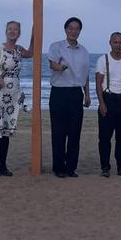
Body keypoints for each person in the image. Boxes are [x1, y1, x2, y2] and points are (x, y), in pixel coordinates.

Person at [0, 19, 34, 176]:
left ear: (19, 33)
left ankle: (3, 166)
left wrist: (34, 33)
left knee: (5, 131)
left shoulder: (19, 50)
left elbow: (31, 53)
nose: (12, 31)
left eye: (15, 29)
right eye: (10, 29)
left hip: (12, 95)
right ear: (6, 31)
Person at [47, 16, 90, 178]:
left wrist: (87, 94)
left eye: (77, 28)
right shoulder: (56, 46)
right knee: (58, 132)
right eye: (71, 28)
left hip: (76, 93)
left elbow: (86, 74)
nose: (73, 31)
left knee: (74, 132)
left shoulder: (84, 51)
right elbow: (52, 64)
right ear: (65, 30)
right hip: (59, 92)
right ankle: (59, 167)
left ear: (80, 31)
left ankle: (71, 168)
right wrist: (59, 67)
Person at [95, 32, 121, 178]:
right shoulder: (103, 60)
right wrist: (102, 103)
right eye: (115, 42)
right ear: (110, 43)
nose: (118, 45)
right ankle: (105, 167)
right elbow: (98, 83)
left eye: (120, 42)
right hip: (107, 99)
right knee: (104, 137)